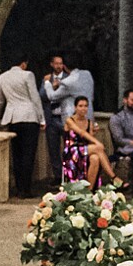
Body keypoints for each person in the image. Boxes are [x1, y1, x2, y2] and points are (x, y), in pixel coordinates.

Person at [0, 57, 46, 197]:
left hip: (12, 118)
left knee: (17, 154)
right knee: (28, 154)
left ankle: (18, 187)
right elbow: (35, 97)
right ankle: (26, 189)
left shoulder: (3, 77)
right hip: (29, 117)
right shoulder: (27, 75)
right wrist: (42, 118)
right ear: (23, 64)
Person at [41, 53, 94, 182]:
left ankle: (72, 180)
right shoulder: (87, 74)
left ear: (65, 66)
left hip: (72, 120)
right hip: (87, 117)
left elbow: (52, 96)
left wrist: (48, 83)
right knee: (84, 152)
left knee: (73, 152)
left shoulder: (68, 82)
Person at [60, 98, 116, 187]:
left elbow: (88, 140)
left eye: (86, 106)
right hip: (72, 150)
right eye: (80, 106)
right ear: (75, 107)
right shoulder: (69, 120)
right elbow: (81, 133)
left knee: (95, 158)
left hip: (85, 149)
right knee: (98, 148)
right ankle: (113, 177)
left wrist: (93, 134)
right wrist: (97, 142)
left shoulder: (89, 122)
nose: (83, 108)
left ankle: (89, 190)